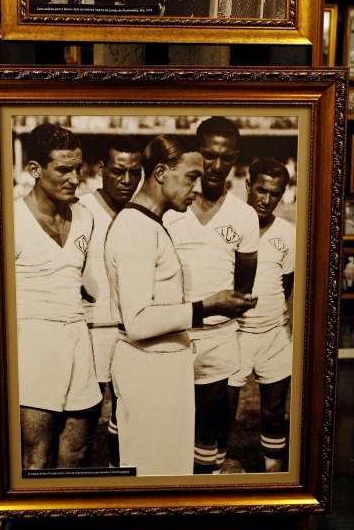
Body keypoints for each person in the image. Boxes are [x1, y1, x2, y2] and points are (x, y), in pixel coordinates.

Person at [104, 134, 256, 476]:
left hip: (161, 367)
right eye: (191, 176)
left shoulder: (148, 223)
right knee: (154, 479)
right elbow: (139, 321)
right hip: (149, 369)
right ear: (160, 173)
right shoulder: (136, 229)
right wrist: (208, 305)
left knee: (169, 473)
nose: (198, 187)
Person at [165, 116, 259, 475]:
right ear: (195, 152)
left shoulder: (244, 215)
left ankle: (203, 502)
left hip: (219, 338)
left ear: (236, 158)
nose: (217, 166)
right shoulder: (172, 207)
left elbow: (243, 288)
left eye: (227, 157)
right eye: (208, 155)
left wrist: (226, 311)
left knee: (211, 430)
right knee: (170, 424)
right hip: (173, 332)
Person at [14, 122, 102, 470]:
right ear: (35, 169)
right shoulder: (10, 219)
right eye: (63, 169)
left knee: (77, 450)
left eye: (77, 168)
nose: (74, 178)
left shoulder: (84, 217)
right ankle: (29, 524)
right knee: (36, 457)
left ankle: (71, 522)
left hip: (78, 336)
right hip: (33, 340)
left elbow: (78, 278)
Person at [228, 158, 295, 473]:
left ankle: (273, 474)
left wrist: (274, 316)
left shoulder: (288, 233)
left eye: (275, 193)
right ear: (248, 185)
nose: (266, 199)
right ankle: (213, 474)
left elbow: (288, 282)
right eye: (261, 190)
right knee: (221, 412)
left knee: (274, 410)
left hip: (273, 334)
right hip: (233, 333)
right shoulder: (230, 224)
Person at [79, 135, 142, 467]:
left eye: (134, 172)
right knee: (84, 417)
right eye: (119, 171)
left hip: (132, 330)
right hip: (91, 329)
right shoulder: (81, 211)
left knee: (128, 413)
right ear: (102, 169)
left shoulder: (142, 211)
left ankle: (121, 481)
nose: (127, 180)